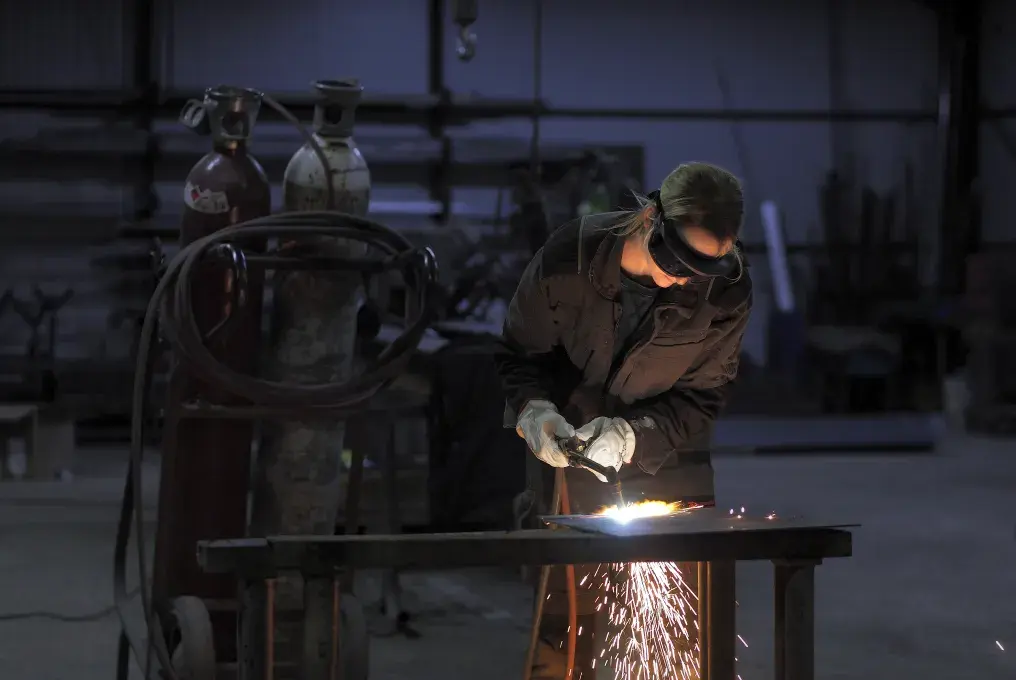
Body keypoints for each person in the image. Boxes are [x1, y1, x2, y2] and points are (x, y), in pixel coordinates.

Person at [494, 162, 753, 679]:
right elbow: (518, 355)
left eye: (703, 270)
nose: (685, 280)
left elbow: (704, 397)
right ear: (650, 219)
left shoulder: (725, 294)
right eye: (680, 263)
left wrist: (635, 435)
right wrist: (536, 413)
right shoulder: (570, 257)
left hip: (668, 455)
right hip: (570, 452)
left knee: (682, 622)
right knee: (566, 620)